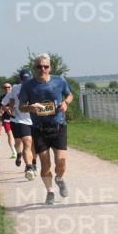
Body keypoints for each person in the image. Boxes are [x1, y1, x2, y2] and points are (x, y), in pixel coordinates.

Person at [18, 54, 74, 205]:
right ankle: (50, 192)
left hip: (58, 125)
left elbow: (69, 95)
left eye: (45, 66)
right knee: (45, 164)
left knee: (61, 162)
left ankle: (59, 178)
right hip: (39, 129)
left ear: (50, 67)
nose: (42, 69)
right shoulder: (28, 85)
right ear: (34, 68)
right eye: (39, 66)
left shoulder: (59, 80)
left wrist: (65, 103)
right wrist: (30, 107)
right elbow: (21, 107)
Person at [2, 71, 37, 179]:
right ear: (21, 79)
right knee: (26, 142)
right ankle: (28, 166)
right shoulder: (15, 88)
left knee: (34, 144)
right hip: (20, 120)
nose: (25, 82)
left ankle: (34, 163)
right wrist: (8, 109)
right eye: (23, 80)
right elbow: (5, 103)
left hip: (35, 120)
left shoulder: (37, 87)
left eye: (28, 80)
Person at [0, 83, 17, 158]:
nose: (7, 88)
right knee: (10, 134)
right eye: (5, 87)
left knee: (17, 136)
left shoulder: (15, 95)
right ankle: (13, 152)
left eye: (8, 87)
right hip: (6, 119)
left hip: (16, 119)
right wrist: (1, 112)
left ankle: (18, 149)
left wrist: (10, 108)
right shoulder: (1, 97)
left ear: (11, 87)